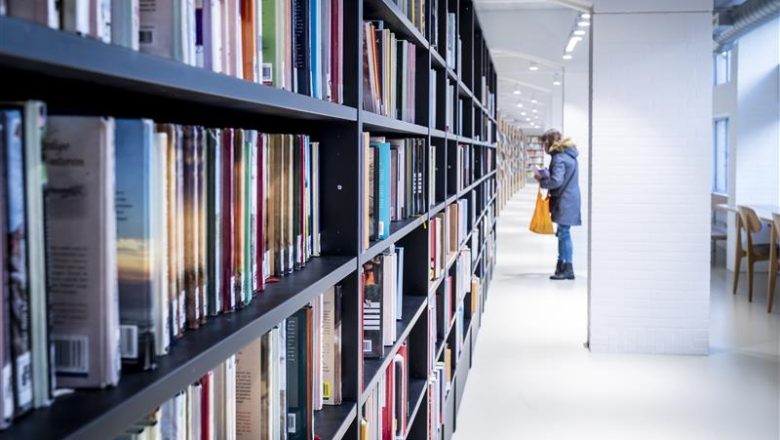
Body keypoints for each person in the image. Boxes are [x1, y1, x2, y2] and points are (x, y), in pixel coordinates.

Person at [534, 129, 582, 280]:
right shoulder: (568, 155)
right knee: (562, 232)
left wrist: (542, 180)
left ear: (549, 142)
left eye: (544, 143)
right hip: (570, 198)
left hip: (564, 200)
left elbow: (556, 181)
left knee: (564, 233)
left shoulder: (558, 157)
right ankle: (562, 265)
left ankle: (567, 268)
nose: (543, 147)